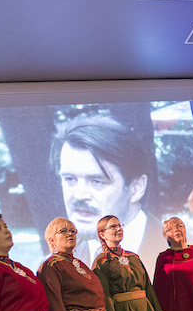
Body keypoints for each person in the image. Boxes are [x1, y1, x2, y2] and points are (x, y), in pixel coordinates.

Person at [53, 115, 162, 268]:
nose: (79, 195)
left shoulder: (188, 262)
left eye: (97, 181)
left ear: (136, 188)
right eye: (70, 179)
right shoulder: (54, 267)